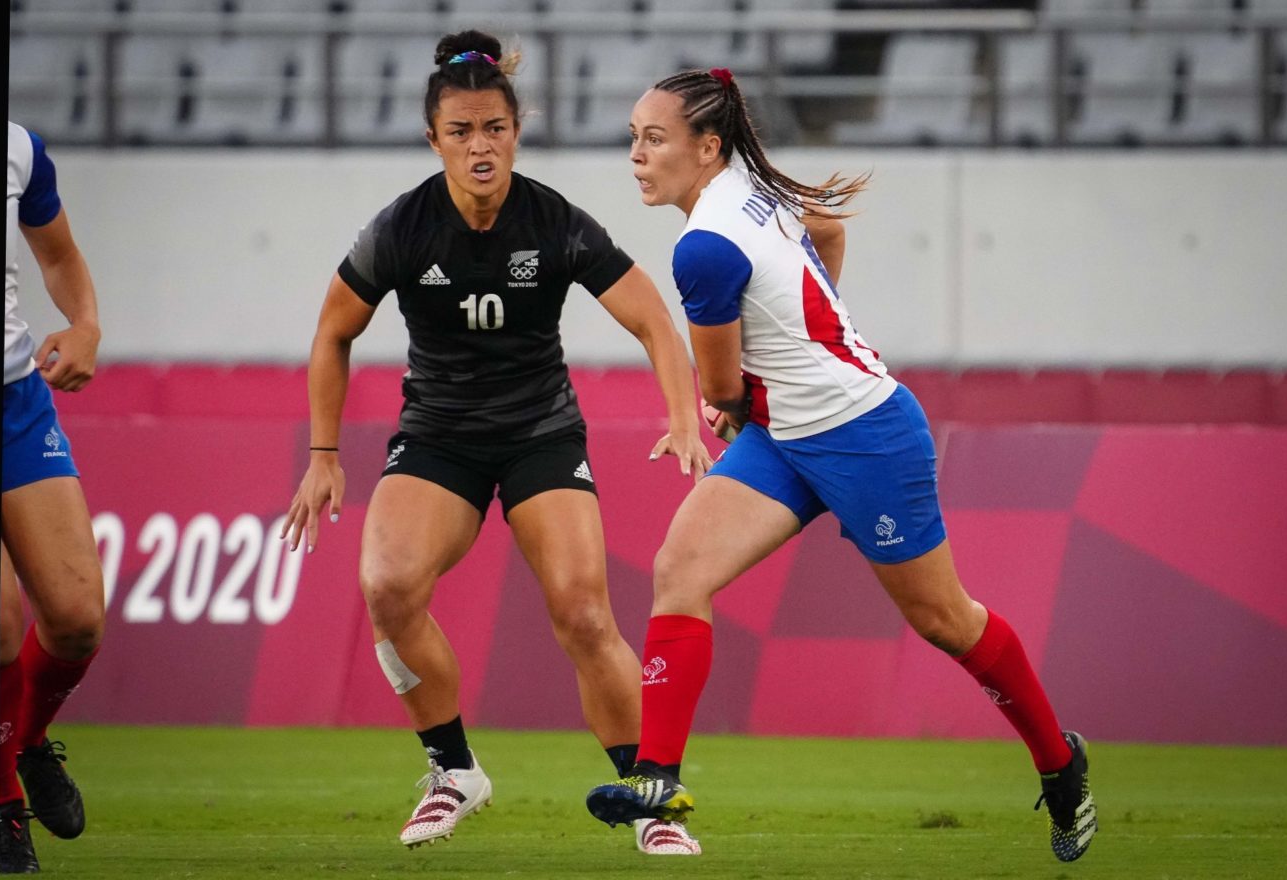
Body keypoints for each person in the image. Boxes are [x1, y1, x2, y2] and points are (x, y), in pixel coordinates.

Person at [585, 68, 1098, 864]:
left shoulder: (704, 248)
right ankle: (658, 776)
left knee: (945, 622)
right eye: (633, 138)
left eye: (653, 138)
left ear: (707, 147)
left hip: (866, 435)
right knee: (680, 569)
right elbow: (827, 234)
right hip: (787, 431)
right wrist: (800, 355)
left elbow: (721, 386)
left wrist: (765, 381)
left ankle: (1061, 762)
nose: (637, 155)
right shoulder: (747, 187)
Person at [280, 32, 713, 856]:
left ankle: (652, 800)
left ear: (516, 130)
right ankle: (454, 773)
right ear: (433, 139)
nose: (481, 146)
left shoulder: (553, 221)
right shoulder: (402, 229)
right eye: (461, 131)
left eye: (495, 129)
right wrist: (324, 455)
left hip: (539, 435)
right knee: (387, 586)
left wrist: (684, 415)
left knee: (585, 611)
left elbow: (655, 319)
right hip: (438, 438)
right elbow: (333, 333)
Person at [0, 122, 106, 875]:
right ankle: (4, 806)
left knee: (75, 620)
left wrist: (87, 323)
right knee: (0, 629)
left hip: (15, 399)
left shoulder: (18, 147)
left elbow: (58, 253)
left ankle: (28, 741)